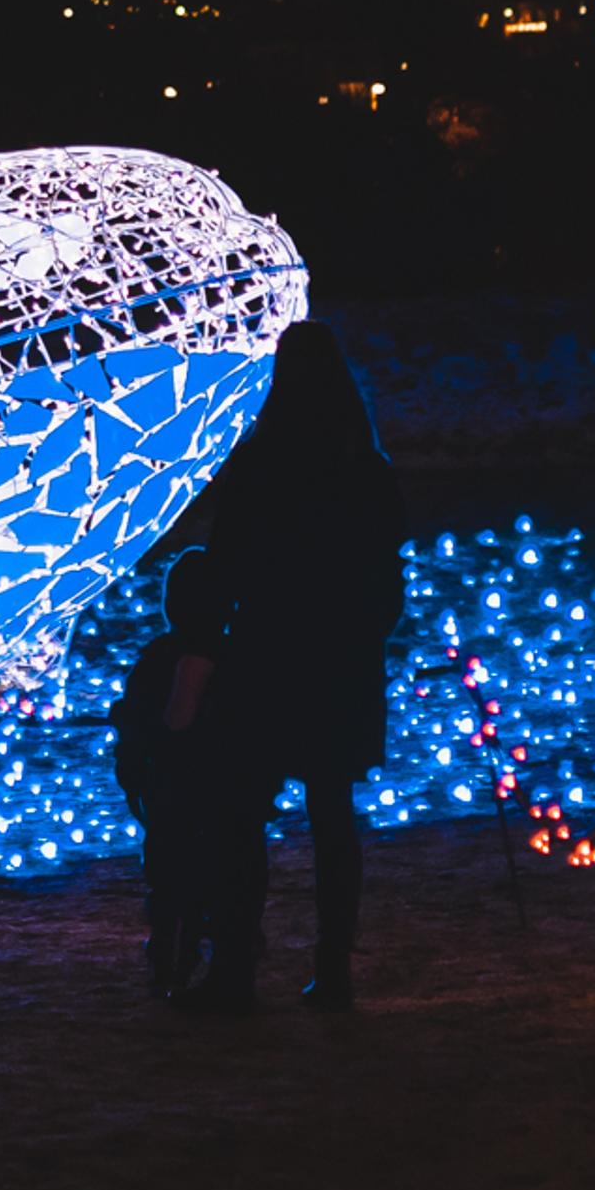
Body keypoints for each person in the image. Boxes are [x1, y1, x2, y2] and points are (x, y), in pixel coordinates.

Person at [182, 318, 407, 1013]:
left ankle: (235, 967)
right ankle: (332, 967)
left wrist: (201, 640)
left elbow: (224, 567)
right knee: (331, 812)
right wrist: (362, 638)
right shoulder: (368, 472)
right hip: (339, 662)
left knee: (242, 811)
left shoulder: (261, 466)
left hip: (267, 656)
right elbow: (386, 584)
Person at [107, 545, 233, 1001]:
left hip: (171, 785)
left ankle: (168, 953)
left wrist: (135, 768)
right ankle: (187, 951)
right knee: (204, 874)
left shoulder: (160, 655)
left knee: (167, 875)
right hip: (208, 786)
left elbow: (155, 722)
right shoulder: (229, 654)